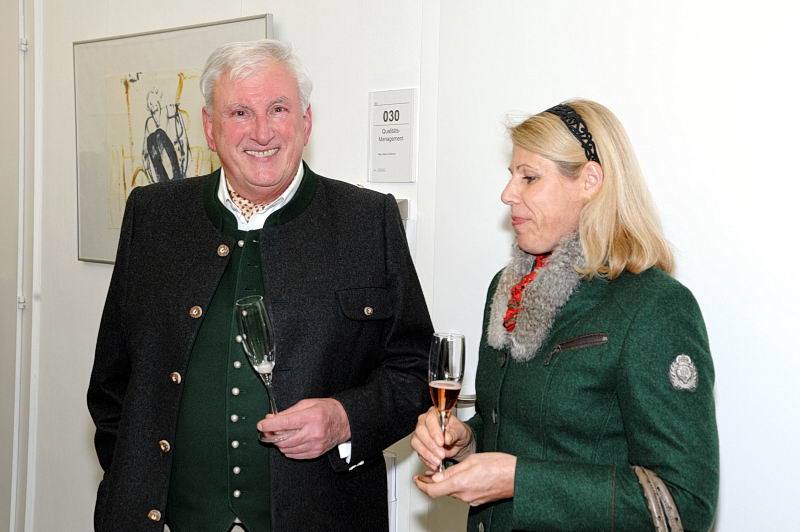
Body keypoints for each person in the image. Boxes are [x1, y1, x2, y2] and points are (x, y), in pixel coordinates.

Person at [88, 39, 432, 532]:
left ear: (306, 121)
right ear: (210, 128)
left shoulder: (366, 220)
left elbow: (413, 372)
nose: (262, 132)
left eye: (278, 109)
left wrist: (344, 418)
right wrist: (133, 482)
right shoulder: (153, 215)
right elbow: (112, 382)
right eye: (240, 113)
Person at [411, 99, 718, 531]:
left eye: (529, 177)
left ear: (590, 181)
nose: (507, 194)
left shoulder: (654, 307)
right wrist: (467, 442)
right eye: (512, 175)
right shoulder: (508, 288)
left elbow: (683, 503)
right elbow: (520, 430)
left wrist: (519, 481)